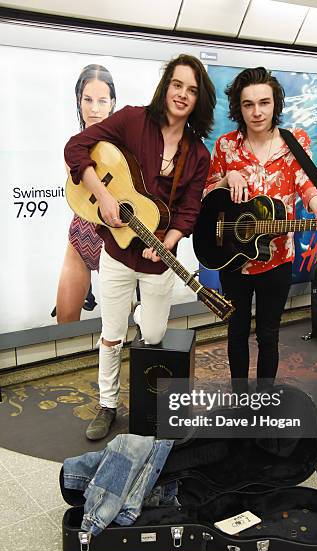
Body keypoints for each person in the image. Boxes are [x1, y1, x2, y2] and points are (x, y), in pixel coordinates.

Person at [64, 54, 216, 440]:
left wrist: (167, 241)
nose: (182, 94)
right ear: (166, 85)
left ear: (200, 100)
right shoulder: (132, 119)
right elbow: (76, 148)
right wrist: (103, 194)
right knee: (111, 334)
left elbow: (190, 208)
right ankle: (108, 405)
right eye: (177, 84)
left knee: (151, 334)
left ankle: (146, 397)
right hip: (116, 252)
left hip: (158, 257)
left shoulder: (197, 154)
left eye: (192, 90)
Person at [204, 67, 317, 395]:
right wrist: (225, 179)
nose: (257, 112)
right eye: (248, 104)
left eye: (264, 103)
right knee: (235, 332)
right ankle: (239, 397)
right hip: (233, 257)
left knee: (268, 335)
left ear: (275, 103)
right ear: (239, 107)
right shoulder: (225, 146)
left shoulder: (295, 142)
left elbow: (306, 186)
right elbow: (206, 195)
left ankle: (263, 401)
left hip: (278, 260)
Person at [54, 64, 116, 323]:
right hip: (80, 238)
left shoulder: (127, 144)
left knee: (121, 326)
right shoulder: (73, 146)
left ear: (112, 103)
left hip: (116, 241)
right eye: (88, 100)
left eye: (102, 101)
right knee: (65, 322)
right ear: (79, 101)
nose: (94, 109)